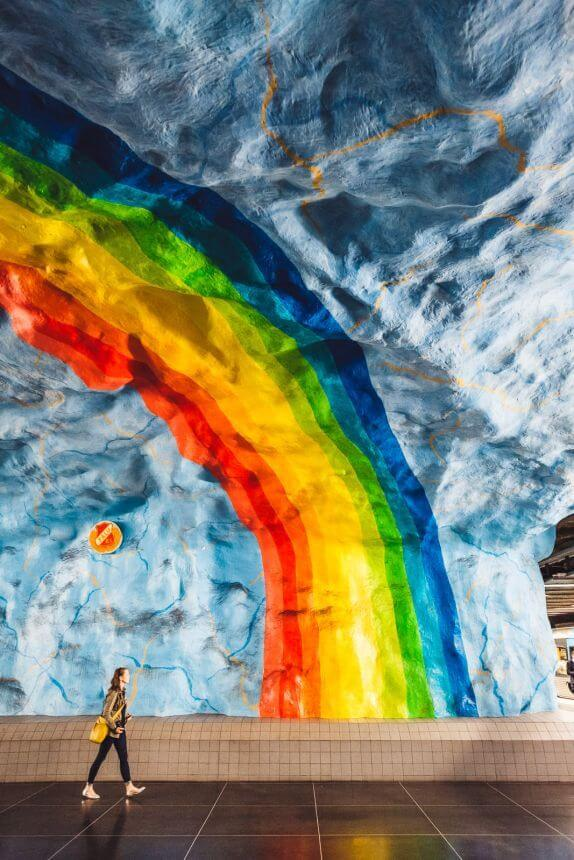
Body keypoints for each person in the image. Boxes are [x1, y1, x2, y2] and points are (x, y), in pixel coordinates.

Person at [82, 667, 146, 799]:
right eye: (127, 674)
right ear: (120, 677)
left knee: (123, 758)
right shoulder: (114, 693)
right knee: (100, 758)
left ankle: (129, 787)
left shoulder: (122, 692)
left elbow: (116, 712)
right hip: (111, 732)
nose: (129, 676)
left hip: (120, 730)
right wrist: (114, 727)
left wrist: (125, 717)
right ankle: (88, 788)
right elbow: (106, 713)